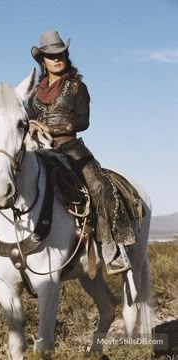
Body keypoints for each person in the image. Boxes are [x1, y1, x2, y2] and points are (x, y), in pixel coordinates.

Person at [28, 30, 142, 274]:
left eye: (61, 54)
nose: (57, 58)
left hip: (70, 147)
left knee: (100, 186)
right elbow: (26, 120)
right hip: (39, 150)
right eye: (51, 55)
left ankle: (113, 250)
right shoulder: (32, 96)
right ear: (42, 61)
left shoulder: (78, 87)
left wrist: (50, 127)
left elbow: (82, 121)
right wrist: (31, 126)